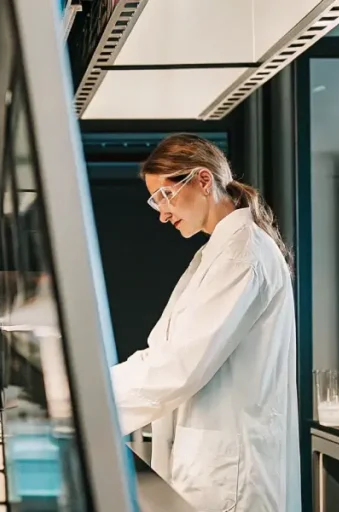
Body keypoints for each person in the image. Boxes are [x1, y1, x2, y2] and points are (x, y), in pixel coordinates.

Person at [109, 134, 300, 511]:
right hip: (214, 463)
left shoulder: (243, 254)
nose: (162, 213)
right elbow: (161, 355)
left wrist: (92, 401)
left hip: (233, 474)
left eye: (165, 196)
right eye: (155, 202)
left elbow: (179, 367)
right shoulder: (217, 252)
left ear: (202, 180)